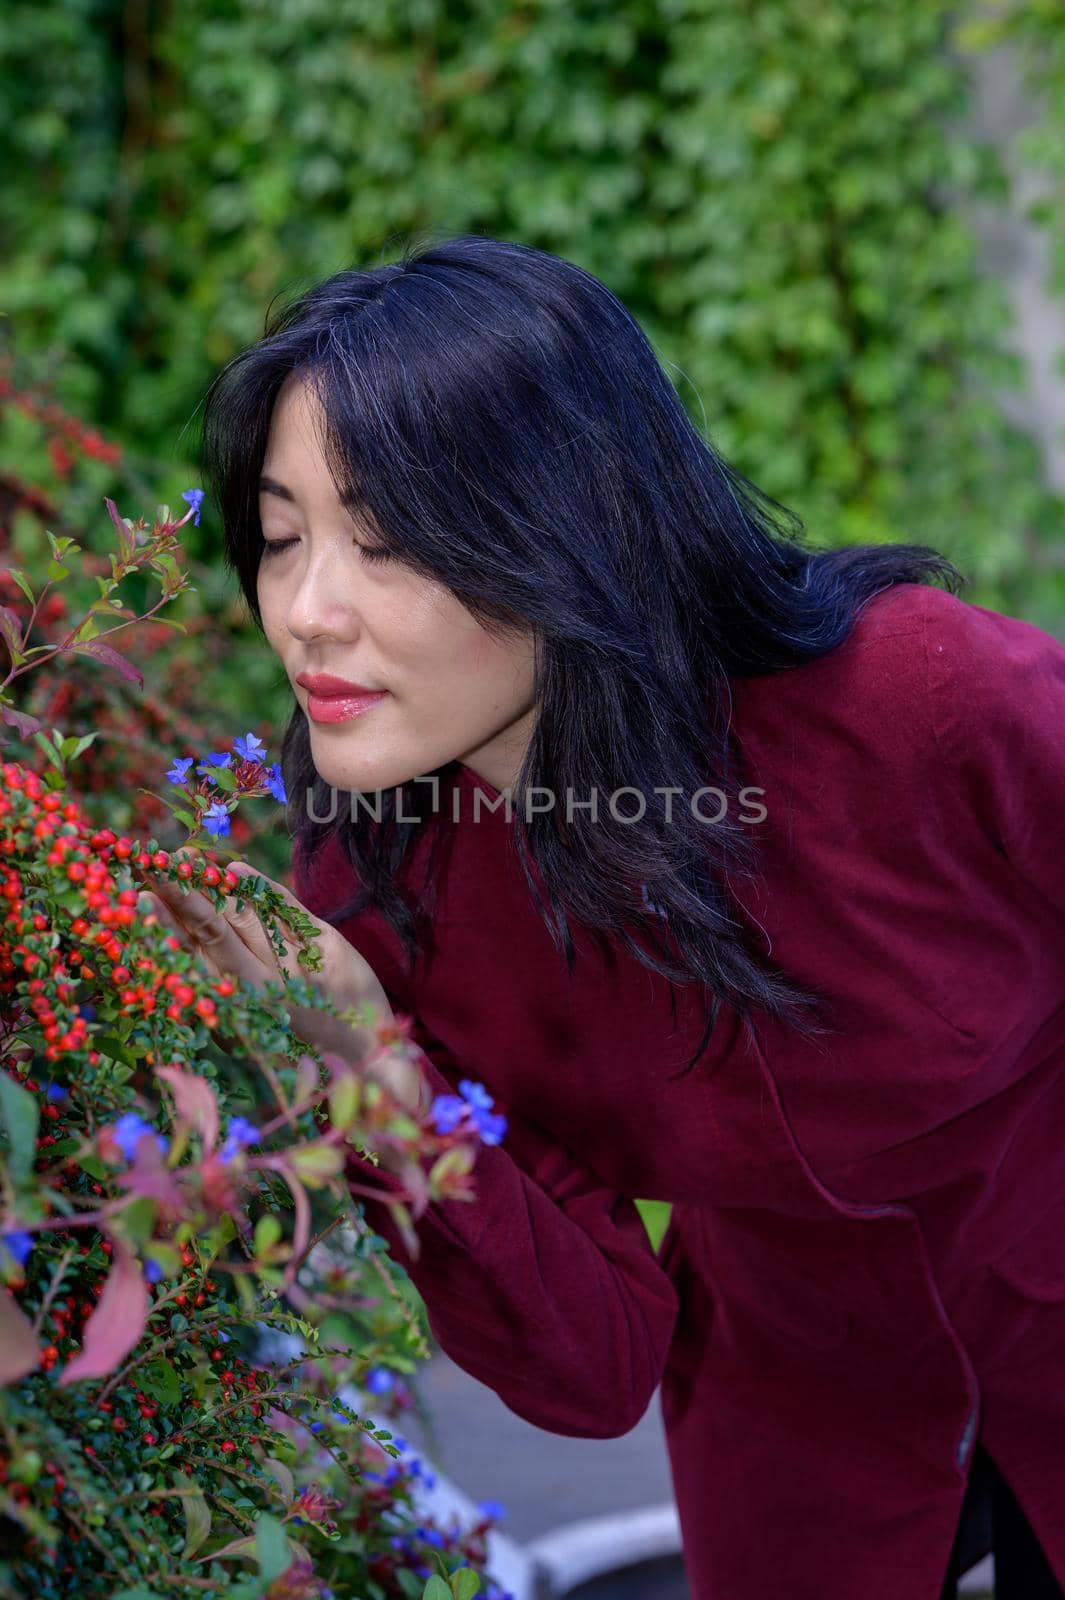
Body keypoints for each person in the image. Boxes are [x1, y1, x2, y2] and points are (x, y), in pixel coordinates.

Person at [157, 234, 1065, 1599]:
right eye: (282, 539)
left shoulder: (918, 700)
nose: (306, 613)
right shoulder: (375, 899)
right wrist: (365, 1062)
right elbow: (588, 1370)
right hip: (793, 1406)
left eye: (386, 540)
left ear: (565, 525)